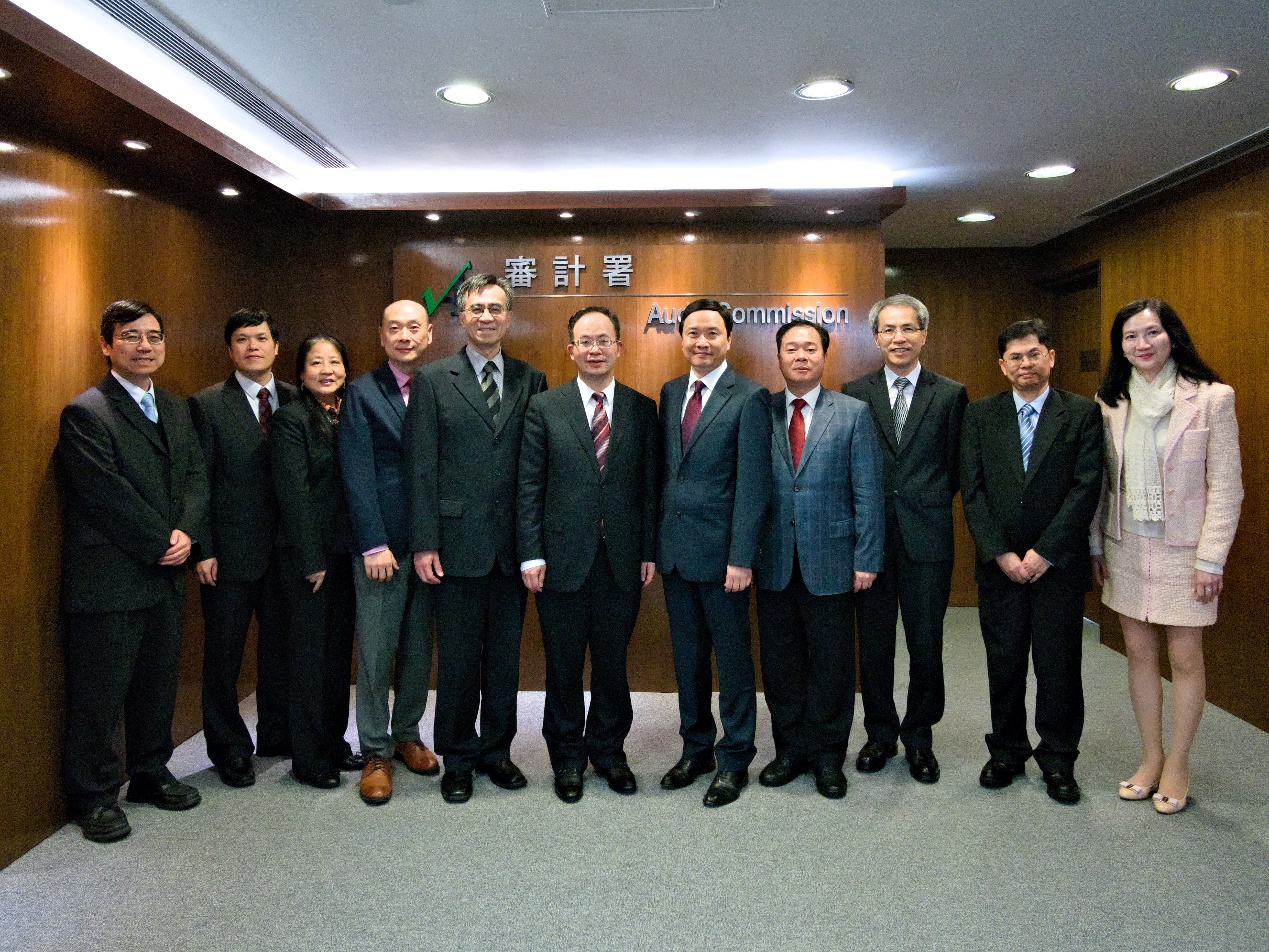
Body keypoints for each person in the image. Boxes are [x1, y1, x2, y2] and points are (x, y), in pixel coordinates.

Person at [57, 300, 210, 842]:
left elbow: (195, 475)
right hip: (111, 580)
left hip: (166, 574)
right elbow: (104, 495)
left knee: (156, 684)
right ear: (107, 345)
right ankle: (94, 796)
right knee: (100, 694)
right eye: (131, 336)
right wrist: (158, 540)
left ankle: (149, 772)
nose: (145, 345)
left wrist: (186, 534)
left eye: (154, 336)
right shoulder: (86, 413)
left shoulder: (174, 406)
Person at [1090, 299, 1242, 815]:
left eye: (1151, 333)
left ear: (1170, 335)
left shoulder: (1212, 399)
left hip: (1186, 552)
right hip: (1127, 543)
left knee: (1184, 657)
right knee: (1138, 654)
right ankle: (1150, 756)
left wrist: (1211, 560)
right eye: (1131, 337)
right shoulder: (1110, 400)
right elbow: (1104, 486)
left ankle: (1179, 761)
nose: (1142, 344)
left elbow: (1226, 487)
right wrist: (1096, 543)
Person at [408, 274, 547, 804]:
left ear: (509, 317)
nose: (486, 317)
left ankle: (498, 751)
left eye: (495, 308)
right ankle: (458, 758)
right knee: (460, 658)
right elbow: (421, 467)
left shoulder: (531, 379)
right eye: (476, 309)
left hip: (513, 547)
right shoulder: (434, 379)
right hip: (454, 543)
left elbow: (535, 468)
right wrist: (425, 542)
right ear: (460, 317)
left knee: (504, 660)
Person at [518, 306, 660, 803]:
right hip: (559, 561)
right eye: (585, 341)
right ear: (570, 350)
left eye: (604, 340)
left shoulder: (643, 409)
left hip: (621, 560)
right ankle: (566, 757)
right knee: (561, 664)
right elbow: (529, 486)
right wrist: (530, 554)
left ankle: (609, 751)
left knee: (612, 663)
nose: (595, 349)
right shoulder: (544, 408)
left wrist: (647, 549)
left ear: (620, 348)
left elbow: (648, 490)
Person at [961, 318, 1103, 804]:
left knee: (1058, 665)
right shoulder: (980, 416)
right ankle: (1006, 752)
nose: (1026, 363)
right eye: (1015, 357)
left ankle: (1059, 759)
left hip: (1056, 565)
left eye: (1034, 354)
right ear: (1002, 366)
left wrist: (1044, 552)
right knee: (1004, 663)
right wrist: (1000, 552)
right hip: (999, 566)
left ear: (1052, 357)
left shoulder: (1082, 413)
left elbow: (1087, 488)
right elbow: (973, 490)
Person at [754, 318, 883, 799]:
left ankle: (829, 756)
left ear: (824, 356)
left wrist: (866, 557)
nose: (801, 356)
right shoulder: (760, 410)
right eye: (792, 349)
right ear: (779, 356)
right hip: (773, 561)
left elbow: (867, 491)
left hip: (833, 558)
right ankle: (789, 751)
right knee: (781, 663)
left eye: (811, 348)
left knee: (832, 664)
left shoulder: (852, 413)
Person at [843, 294, 967, 784]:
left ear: (924, 333)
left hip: (927, 538)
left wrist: (922, 500)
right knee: (873, 644)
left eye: (908, 328)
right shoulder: (855, 391)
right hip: (870, 540)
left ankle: (920, 737)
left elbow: (955, 467)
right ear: (875, 337)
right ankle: (879, 733)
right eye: (889, 330)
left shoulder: (951, 394)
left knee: (926, 643)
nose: (899, 338)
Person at [657, 298, 772, 808]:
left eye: (712, 333)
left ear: (729, 340)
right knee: (688, 660)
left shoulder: (750, 396)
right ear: (681, 338)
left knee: (732, 661)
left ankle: (734, 758)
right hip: (677, 554)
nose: (701, 342)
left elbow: (752, 485)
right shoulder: (671, 391)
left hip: (725, 558)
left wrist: (741, 557)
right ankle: (696, 748)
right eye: (693, 333)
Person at [189, 309, 297, 788]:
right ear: (230, 349)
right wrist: (203, 548)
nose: (253, 346)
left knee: (281, 649)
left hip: (287, 554)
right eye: (242, 340)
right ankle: (229, 747)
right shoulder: (206, 405)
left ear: (277, 347)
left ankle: (277, 733)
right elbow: (198, 483)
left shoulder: (297, 400)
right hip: (228, 556)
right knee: (224, 657)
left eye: (262, 338)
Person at [340, 301, 438, 806]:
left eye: (413, 327)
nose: (405, 336)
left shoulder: (441, 385)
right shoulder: (360, 392)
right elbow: (356, 472)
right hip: (383, 548)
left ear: (429, 333)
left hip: (431, 548)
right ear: (381, 337)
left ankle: (407, 734)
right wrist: (373, 543)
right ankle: (375, 748)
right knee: (377, 652)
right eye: (394, 328)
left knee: (419, 648)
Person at [269, 335, 358, 789]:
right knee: (308, 657)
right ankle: (308, 757)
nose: (327, 369)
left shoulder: (347, 413)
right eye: (316, 363)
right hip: (310, 559)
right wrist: (311, 558)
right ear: (300, 373)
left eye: (335, 361)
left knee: (337, 655)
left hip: (345, 555)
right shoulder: (290, 419)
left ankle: (334, 743)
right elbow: (293, 493)